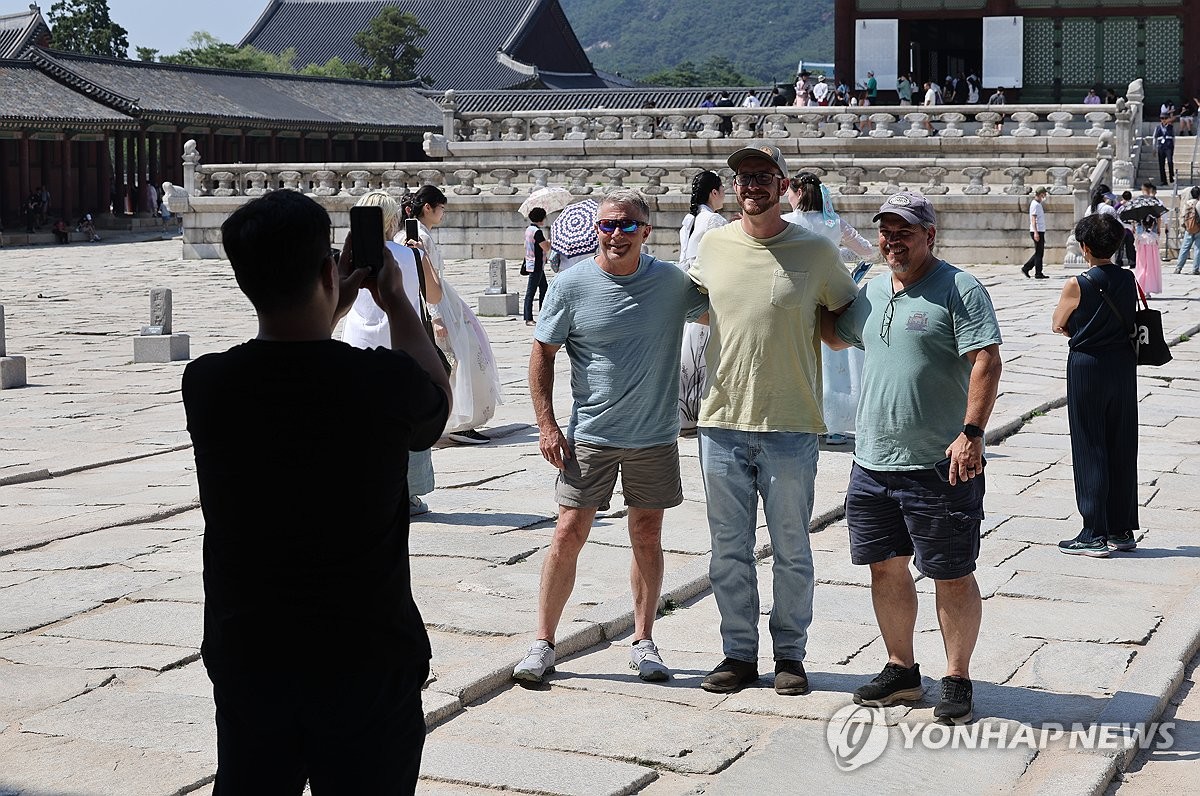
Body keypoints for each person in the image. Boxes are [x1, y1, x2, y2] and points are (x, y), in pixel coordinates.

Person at [182, 189, 450, 794]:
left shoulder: (209, 384)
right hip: (364, 649)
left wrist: (330, 303)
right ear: (329, 270)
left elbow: (294, 361)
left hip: (252, 647)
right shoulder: (377, 384)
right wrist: (395, 302)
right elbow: (436, 405)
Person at [512, 189, 707, 685]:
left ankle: (644, 639)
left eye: (626, 226)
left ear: (646, 231)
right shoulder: (572, 284)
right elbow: (542, 354)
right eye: (607, 226)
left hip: (654, 436)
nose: (615, 234)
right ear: (595, 230)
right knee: (567, 532)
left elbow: (725, 305)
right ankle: (543, 641)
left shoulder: (672, 283)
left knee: (647, 534)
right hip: (590, 435)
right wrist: (546, 424)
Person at [825, 191, 1003, 726]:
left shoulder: (959, 288)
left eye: (905, 230)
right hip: (872, 458)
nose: (893, 239)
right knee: (885, 567)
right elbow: (835, 337)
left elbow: (987, 362)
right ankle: (902, 670)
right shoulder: (873, 290)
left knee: (950, 572)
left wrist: (971, 432)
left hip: (938, 461)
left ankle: (956, 676)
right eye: (886, 230)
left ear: (930, 234)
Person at [688, 145, 859, 697]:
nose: (751, 185)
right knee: (727, 548)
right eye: (743, 177)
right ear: (733, 186)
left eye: (762, 176)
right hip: (721, 421)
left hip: (790, 422)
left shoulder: (815, 250)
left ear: (783, 184)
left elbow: (848, 311)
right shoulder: (712, 245)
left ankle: (790, 653)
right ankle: (738, 652)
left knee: (792, 548)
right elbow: (684, 304)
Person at [341, 190, 443, 516]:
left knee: (359, 420)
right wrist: (421, 256)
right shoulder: (407, 255)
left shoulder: (348, 258)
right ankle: (408, 493)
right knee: (404, 420)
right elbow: (434, 295)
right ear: (393, 219)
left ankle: (359, 486)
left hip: (356, 342)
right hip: (400, 343)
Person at [1051, 214, 1139, 556]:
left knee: (1090, 444)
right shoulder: (1128, 279)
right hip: (1122, 365)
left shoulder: (1078, 283)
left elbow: (1058, 323)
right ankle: (1121, 529)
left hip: (1087, 365)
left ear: (1084, 247)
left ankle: (1094, 532)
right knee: (1121, 441)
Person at [784, 171, 874, 447]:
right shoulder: (833, 222)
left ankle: (800, 419)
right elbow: (866, 251)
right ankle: (834, 425)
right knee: (835, 366)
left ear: (798, 193)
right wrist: (837, 252)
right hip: (831, 299)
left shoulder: (786, 223)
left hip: (796, 298)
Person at [412, 185, 502, 445]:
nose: (443, 214)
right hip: (440, 304)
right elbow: (425, 283)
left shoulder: (422, 234)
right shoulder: (421, 237)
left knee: (459, 360)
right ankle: (460, 422)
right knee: (458, 361)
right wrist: (437, 316)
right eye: (441, 209)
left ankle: (455, 420)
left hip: (445, 299)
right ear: (428, 207)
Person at [678, 171, 727, 435]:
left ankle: (686, 414)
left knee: (689, 350)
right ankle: (703, 411)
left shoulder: (689, 221)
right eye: (723, 189)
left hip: (687, 288)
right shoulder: (715, 221)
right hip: (708, 290)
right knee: (706, 352)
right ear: (714, 192)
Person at [1134, 182, 1164, 296]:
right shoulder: (1155, 203)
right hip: (1152, 238)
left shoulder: (1139, 203)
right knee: (1152, 265)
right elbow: (1159, 218)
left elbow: (1137, 222)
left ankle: (1141, 287)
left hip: (1142, 238)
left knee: (1141, 264)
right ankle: (1149, 289)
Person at [523, 207, 550, 327]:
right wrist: (550, 241)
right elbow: (546, 247)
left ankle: (543, 314)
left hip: (532, 262)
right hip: (536, 265)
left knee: (544, 288)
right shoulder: (537, 232)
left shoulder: (529, 229)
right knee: (531, 292)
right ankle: (528, 318)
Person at [1022, 188, 1049, 279]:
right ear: (1040, 194)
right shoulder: (1035, 205)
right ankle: (1038, 272)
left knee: (1039, 252)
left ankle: (1027, 267)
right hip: (1037, 231)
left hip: (1040, 230)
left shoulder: (1038, 204)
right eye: (1044, 194)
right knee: (1039, 253)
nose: (1044, 196)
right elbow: (1033, 220)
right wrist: (1036, 233)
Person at [1175, 186, 1200, 274]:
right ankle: (1195, 269)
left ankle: (1178, 268)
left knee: (1185, 248)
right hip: (1198, 229)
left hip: (1188, 229)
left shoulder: (1187, 203)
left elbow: (1182, 215)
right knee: (1197, 249)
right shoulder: (1199, 204)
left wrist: (1184, 226)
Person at [1154, 113, 1175, 186]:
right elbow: (1155, 138)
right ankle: (1163, 180)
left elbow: (1173, 138)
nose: (1164, 120)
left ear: (1168, 119)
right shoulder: (1158, 127)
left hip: (1169, 146)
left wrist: (1173, 146)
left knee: (1170, 162)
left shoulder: (1170, 127)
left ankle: (1171, 176)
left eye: (1165, 118)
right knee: (1161, 164)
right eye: (1162, 118)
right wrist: (1154, 148)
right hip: (1161, 147)